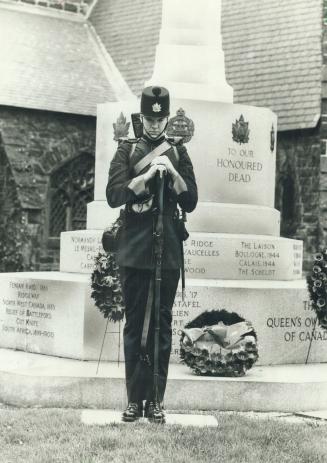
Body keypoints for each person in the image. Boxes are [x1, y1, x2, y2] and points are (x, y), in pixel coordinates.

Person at [106, 86, 198, 423]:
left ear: (167, 118)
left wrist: (172, 173)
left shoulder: (177, 153)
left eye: (160, 119)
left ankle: (155, 401)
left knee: (161, 326)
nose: (155, 124)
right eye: (149, 118)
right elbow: (114, 195)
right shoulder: (127, 150)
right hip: (134, 249)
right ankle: (134, 400)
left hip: (167, 250)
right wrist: (144, 177)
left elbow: (190, 201)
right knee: (134, 327)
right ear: (141, 117)